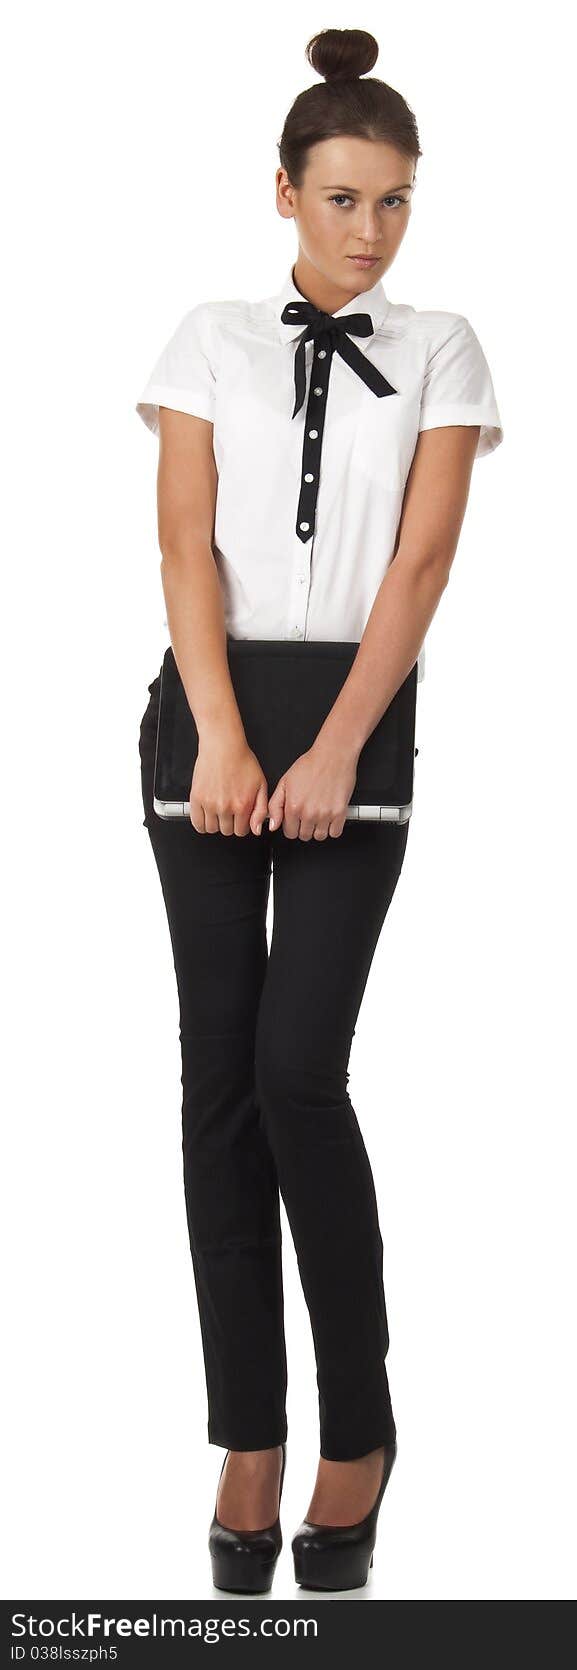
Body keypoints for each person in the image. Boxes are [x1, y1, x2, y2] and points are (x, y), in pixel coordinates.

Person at [135, 25, 503, 1593]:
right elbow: (182, 551)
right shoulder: (208, 334)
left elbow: (416, 571)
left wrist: (341, 741)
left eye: (395, 201)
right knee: (216, 1085)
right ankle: (249, 1434)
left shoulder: (443, 346)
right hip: (206, 725)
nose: (369, 230)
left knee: (300, 1073)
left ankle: (359, 1424)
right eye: (342, 196)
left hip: (355, 725)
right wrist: (221, 733)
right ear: (282, 189)